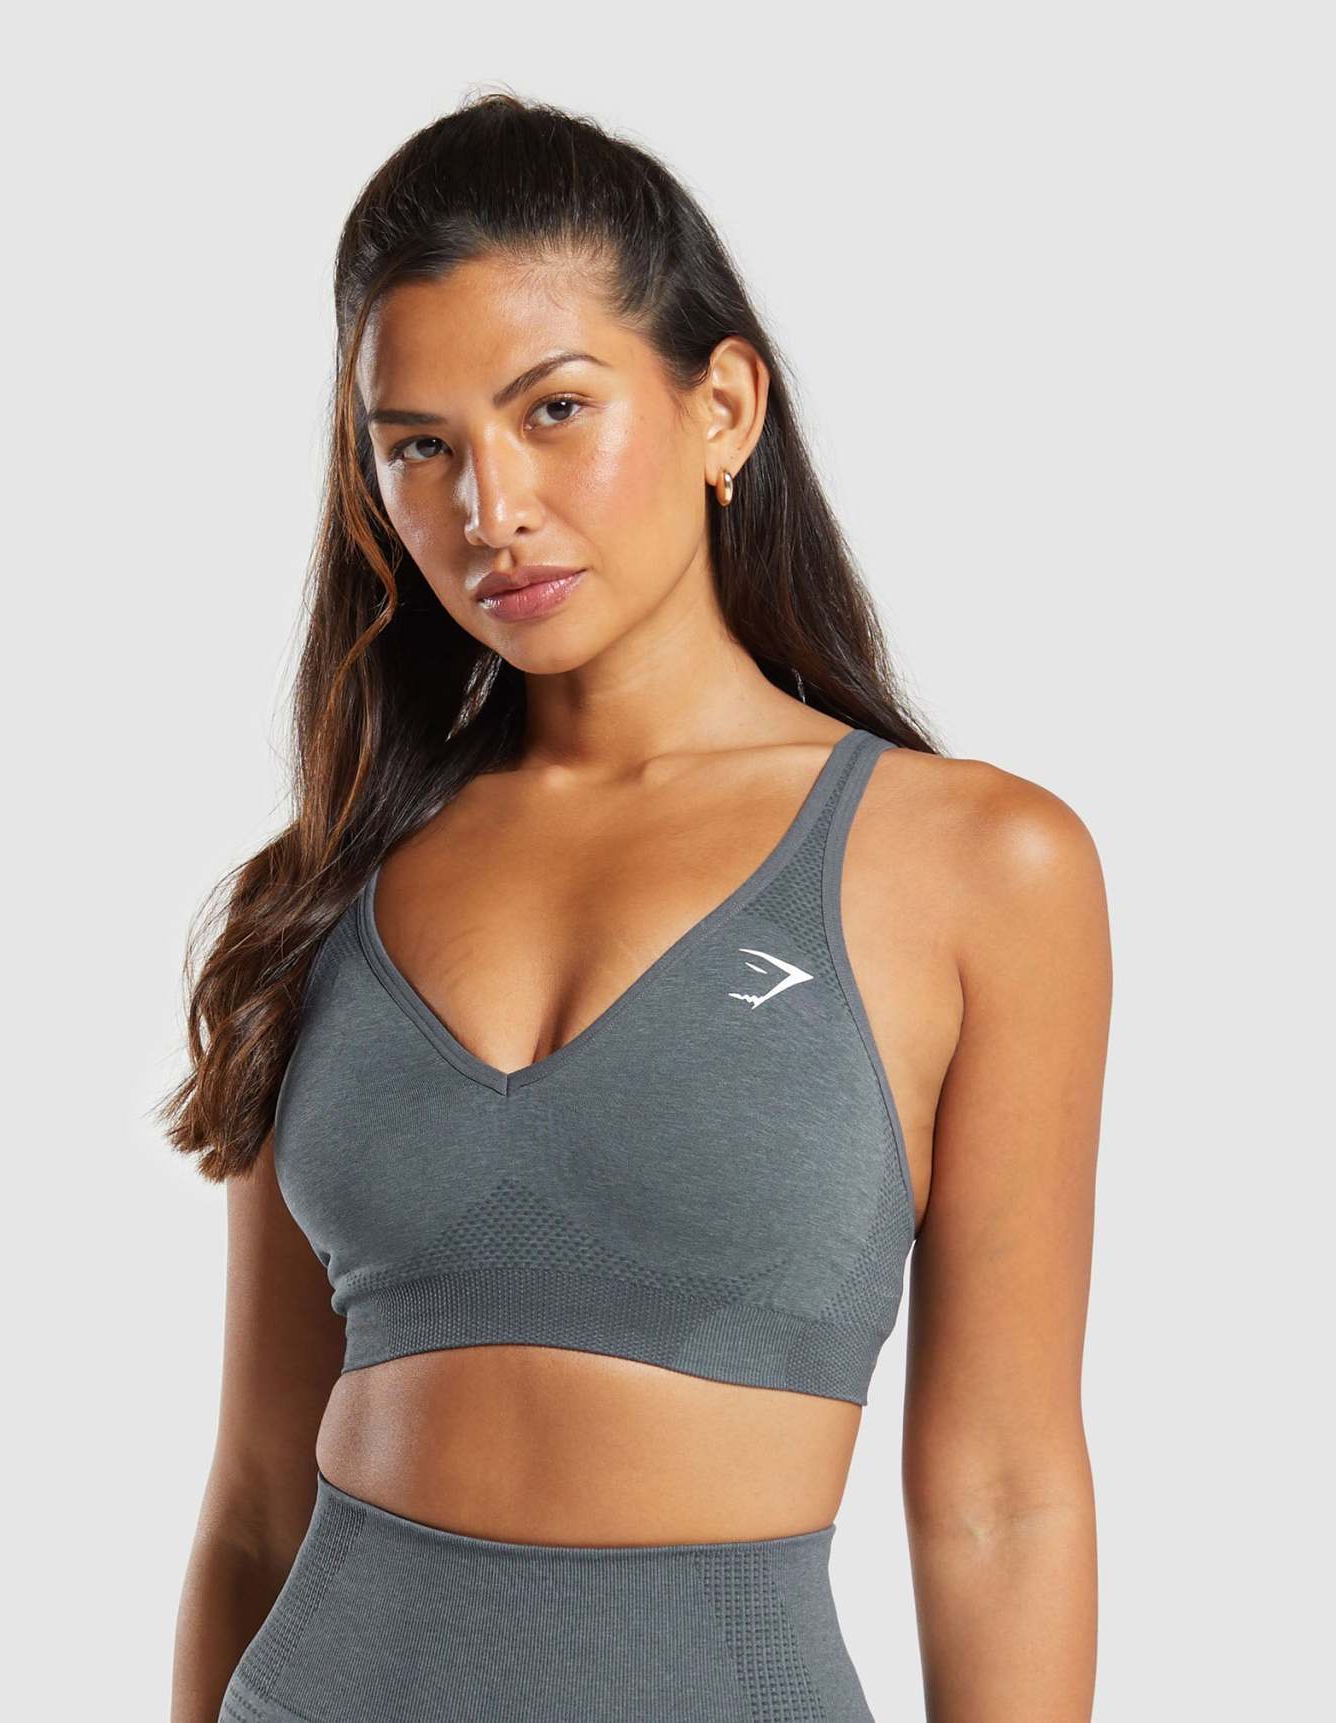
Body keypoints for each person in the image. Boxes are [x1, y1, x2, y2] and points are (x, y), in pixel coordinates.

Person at [164, 90, 1109, 1723]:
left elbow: (1003, 1499)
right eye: (419, 446)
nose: (490, 508)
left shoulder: (974, 864)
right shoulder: (316, 890)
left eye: (553, 410)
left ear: (721, 406)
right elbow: (254, 1494)